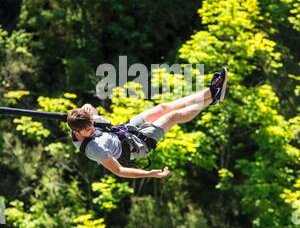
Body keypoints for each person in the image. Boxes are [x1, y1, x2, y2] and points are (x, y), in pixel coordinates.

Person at [67, 67, 228, 180]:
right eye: (88, 130)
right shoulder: (94, 148)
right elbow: (120, 171)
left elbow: (92, 113)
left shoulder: (83, 123)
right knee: (173, 116)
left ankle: (212, 91)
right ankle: (213, 99)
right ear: (77, 133)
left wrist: (87, 108)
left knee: (163, 107)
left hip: (123, 130)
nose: (92, 129)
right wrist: (149, 173)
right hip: (136, 146)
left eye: (91, 124)